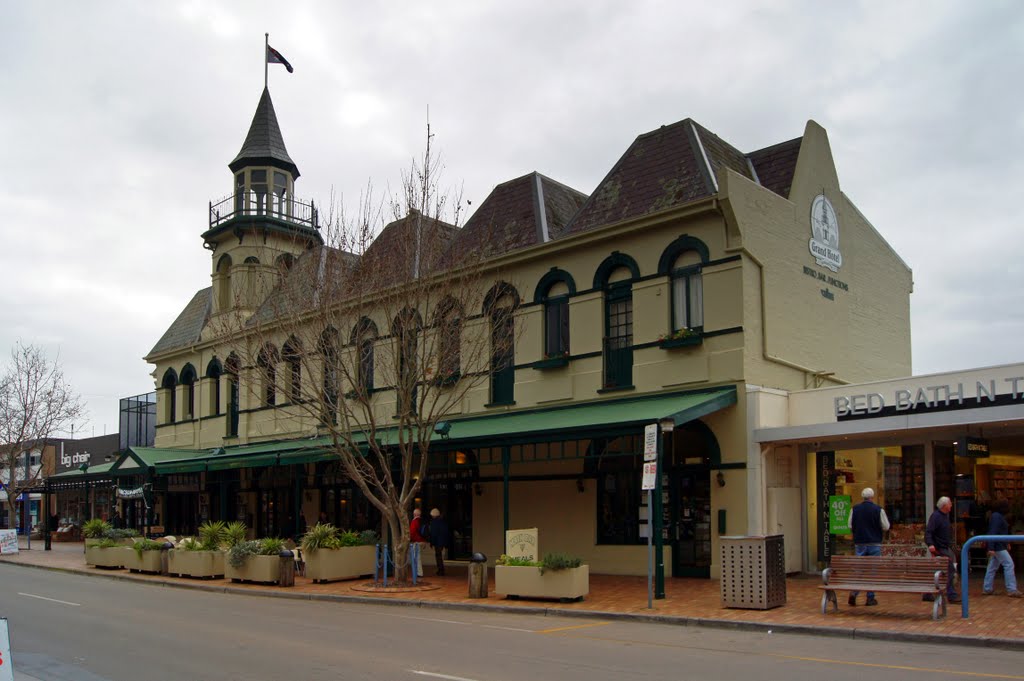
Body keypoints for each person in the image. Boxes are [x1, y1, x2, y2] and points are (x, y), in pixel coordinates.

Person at [848, 487, 890, 606]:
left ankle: (854, 593)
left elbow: (850, 525)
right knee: (873, 571)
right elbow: (886, 526)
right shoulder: (878, 509)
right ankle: (870, 597)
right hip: (874, 543)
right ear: (872, 497)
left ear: (863, 497)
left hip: (860, 543)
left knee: (859, 570)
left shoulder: (855, 509)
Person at [982, 499, 1022, 597]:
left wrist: (1006, 542)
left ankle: (987, 588)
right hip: (998, 546)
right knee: (1009, 564)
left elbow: (999, 532)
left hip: (998, 545)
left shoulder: (997, 516)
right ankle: (1012, 589)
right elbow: (993, 532)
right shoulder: (997, 517)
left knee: (992, 567)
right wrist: (991, 547)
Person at [924, 496, 960, 603]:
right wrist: (930, 544)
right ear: (945, 506)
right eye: (950, 504)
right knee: (949, 569)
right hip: (939, 548)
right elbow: (929, 531)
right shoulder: (936, 517)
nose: (951, 505)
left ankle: (927, 593)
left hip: (943, 546)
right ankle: (951, 594)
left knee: (938, 570)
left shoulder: (945, 516)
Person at [428, 508, 450, 577]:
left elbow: (433, 534)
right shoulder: (443, 522)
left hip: (437, 542)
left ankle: (440, 570)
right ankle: (441, 569)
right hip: (442, 541)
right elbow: (446, 532)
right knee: (439, 556)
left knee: (438, 556)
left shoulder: (434, 522)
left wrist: (432, 542)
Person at [409, 508, 426, 578]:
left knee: (416, 558)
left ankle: (418, 573)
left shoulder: (414, 521)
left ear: (415, 514)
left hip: (416, 542)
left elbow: (412, 533)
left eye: (414, 513)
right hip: (422, 541)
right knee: (418, 557)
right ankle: (419, 572)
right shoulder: (422, 521)